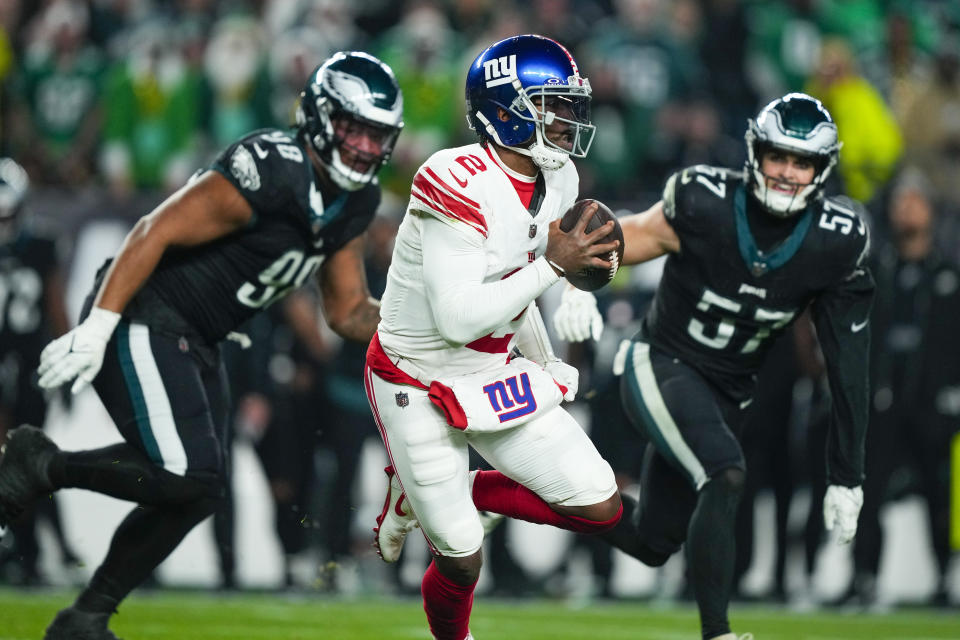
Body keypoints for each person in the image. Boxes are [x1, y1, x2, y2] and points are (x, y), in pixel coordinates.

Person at [0, 51, 403, 639]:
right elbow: (153, 230)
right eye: (353, 128)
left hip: (197, 337)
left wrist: (432, 326)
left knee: (200, 490)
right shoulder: (271, 166)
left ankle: (86, 617)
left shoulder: (356, 201)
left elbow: (346, 311)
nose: (365, 147)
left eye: (377, 135)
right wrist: (97, 326)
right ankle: (39, 466)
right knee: (187, 472)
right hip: (142, 312)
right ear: (319, 117)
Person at [556, 93, 875, 639]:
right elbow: (629, 234)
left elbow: (850, 365)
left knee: (653, 542)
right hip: (659, 361)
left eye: (802, 162)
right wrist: (578, 276)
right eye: (779, 156)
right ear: (756, 153)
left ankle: (520, 491)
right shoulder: (705, 199)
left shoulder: (836, 242)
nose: (787, 172)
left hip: (727, 394)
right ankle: (718, 634)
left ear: (821, 170)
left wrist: (847, 475)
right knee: (724, 473)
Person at [366, 34, 623, 640]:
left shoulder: (558, 176)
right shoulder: (451, 177)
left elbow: (523, 275)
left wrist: (556, 329)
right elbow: (458, 316)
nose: (567, 119)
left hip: (489, 368)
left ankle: (435, 490)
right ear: (507, 107)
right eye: (551, 104)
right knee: (461, 556)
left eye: (569, 104)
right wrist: (555, 269)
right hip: (416, 374)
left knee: (599, 505)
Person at [0, 157, 82, 585]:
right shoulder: (37, 241)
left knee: (25, 460)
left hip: (29, 362)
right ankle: (39, 549)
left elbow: (55, 304)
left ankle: (33, 550)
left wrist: (66, 360)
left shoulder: (40, 243)